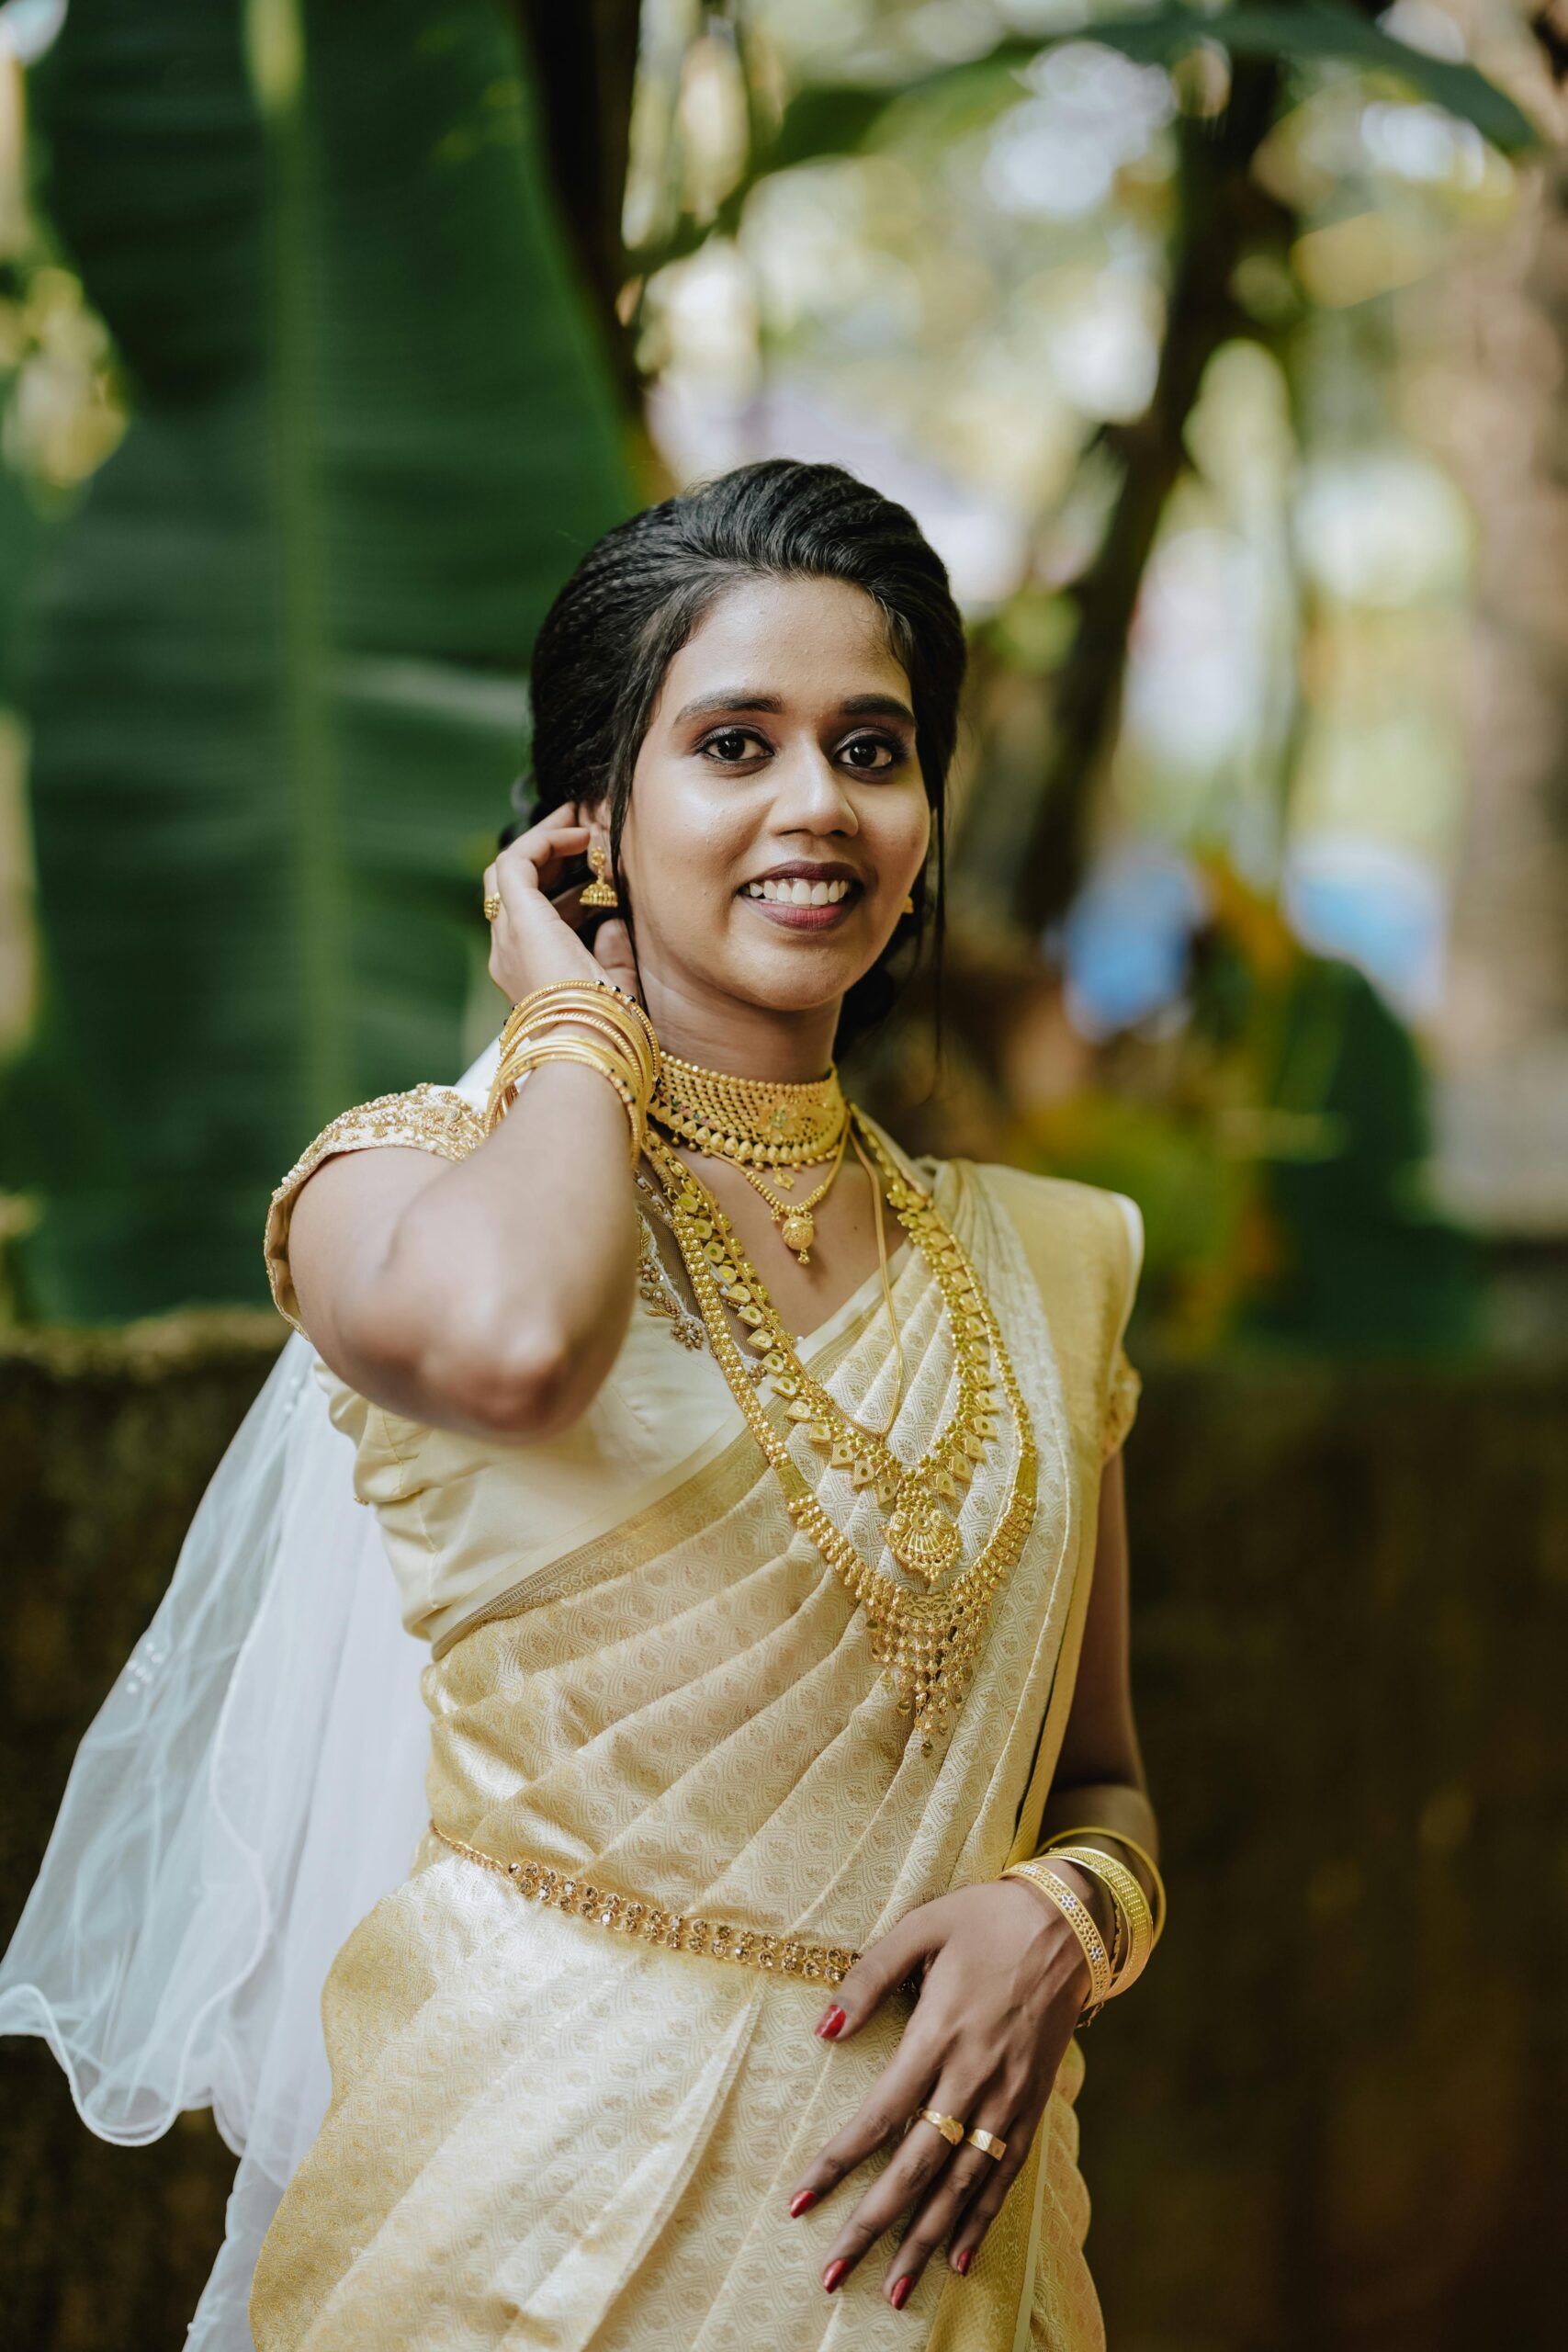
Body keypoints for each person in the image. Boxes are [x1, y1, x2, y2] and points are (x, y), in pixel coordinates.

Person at [4, 458, 1162, 2350]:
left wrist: (1072, 1911)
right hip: (508, 2242)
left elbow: (1100, 1777)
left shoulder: (1052, 1264)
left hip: (924, 2254)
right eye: (731, 742)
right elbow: (529, 1344)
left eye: (871, 747)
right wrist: (572, 1023)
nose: (815, 804)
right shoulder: (393, 1191)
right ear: (588, 823)